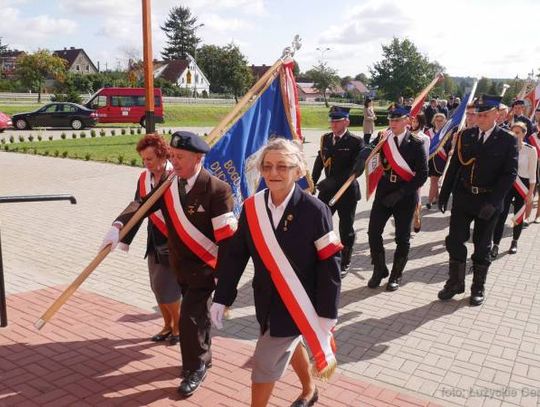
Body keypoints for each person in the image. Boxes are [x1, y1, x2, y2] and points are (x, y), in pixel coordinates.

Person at [101, 131, 236, 397]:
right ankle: (205, 355)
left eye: (180, 157)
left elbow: (227, 242)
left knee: (189, 318)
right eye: (172, 156)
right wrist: (118, 227)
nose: (174, 162)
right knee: (198, 317)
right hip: (179, 267)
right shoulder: (167, 183)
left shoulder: (217, 190)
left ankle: (195, 368)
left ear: (198, 157)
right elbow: (141, 205)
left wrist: (225, 283)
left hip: (205, 268)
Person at [211, 138, 341, 407]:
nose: (273, 173)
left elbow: (330, 266)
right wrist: (222, 296)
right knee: (289, 346)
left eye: (282, 166)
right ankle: (309, 390)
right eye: (267, 166)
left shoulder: (316, 211)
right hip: (265, 300)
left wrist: (328, 315)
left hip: (300, 304)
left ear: (298, 170)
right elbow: (236, 256)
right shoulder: (252, 207)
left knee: (264, 364)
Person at [437, 95, 518, 306]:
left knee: (482, 247)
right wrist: (444, 193)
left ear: (496, 115)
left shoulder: (507, 139)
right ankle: (455, 283)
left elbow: (509, 174)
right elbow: (455, 166)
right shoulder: (466, 135)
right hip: (464, 197)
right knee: (454, 241)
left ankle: (477, 287)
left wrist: (493, 202)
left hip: (488, 200)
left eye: (483, 115)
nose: (478, 119)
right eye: (476, 115)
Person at [365, 106, 428, 291]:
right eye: (391, 120)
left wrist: (401, 193)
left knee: (402, 237)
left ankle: (396, 275)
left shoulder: (416, 144)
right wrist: (363, 154)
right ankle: (379, 269)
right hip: (384, 192)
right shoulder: (383, 138)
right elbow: (369, 151)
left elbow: (422, 175)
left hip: (405, 195)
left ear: (407, 121)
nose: (393, 123)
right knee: (373, 232)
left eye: (397, 120)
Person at [131, 134, 181, 345]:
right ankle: (167, 324)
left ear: (162, 156)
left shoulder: (175, 177)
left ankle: (178, 327)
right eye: (143, 159)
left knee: (169, 288)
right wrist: (118, 230)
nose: (146, 163)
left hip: (174, 242)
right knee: (156, 286)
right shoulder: (144, 178)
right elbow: (137, 206)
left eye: (149, 159)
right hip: (154, 239)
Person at [312, 106, 365, 278]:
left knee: (346, 227)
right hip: (327, 191)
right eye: (332, 121)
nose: (333, 124)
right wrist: (312, 181)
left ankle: (345, 260)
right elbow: (320, 161)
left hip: (346, 192)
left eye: (337, 121)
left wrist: (332, 181)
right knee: (320, 223)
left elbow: (356, 170)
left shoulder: (356, 142)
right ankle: (323, 253)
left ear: (346, 121)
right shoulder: (326, 139)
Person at [490, 122, 537, 258]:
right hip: (507, 185)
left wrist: (530, 194)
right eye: (513, 132)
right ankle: (496, 244)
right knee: (501, 215)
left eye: (518, 132)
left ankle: (514, 242)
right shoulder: (506, 148)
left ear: (524, 133)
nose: (515, 135)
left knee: (518, 216)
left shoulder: (530, 150)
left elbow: (533, 174)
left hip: (523, 185)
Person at [410, 113, 430, 233]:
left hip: (416, 172)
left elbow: (425, 157)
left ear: (421, 123)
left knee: (416, 196)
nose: (414, 123)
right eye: (412, 121)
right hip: (404, 171)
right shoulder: (407, 134)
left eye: (416, 122)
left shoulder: (424, 138)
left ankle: (417, 216)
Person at [425, 113, 450, 209]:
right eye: (437, 120)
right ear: (433, 121)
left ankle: (429, 201)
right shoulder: (428, 132)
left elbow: (449, 146)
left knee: (434, 180)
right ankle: (436, 198)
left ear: (445, 122)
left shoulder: (447, 132)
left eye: (441, 120)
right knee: (433, 180)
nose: (439, 122)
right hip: (431, 159)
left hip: (442, 159)